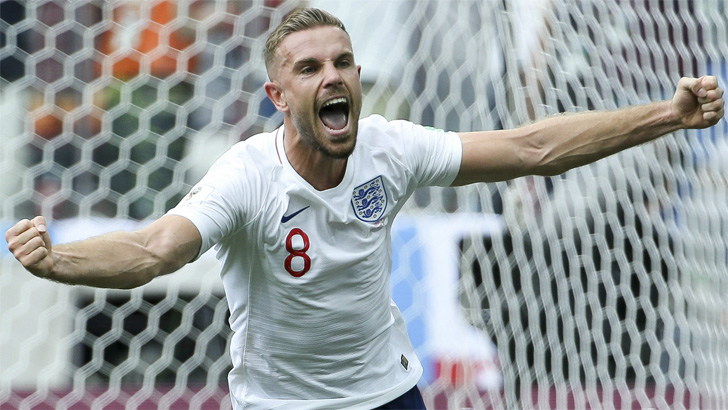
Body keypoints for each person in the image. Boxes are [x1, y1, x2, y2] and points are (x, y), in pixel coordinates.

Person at [5, 7, 724, 410]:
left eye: (342, 62)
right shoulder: (245, 178)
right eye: (310, 68)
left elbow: (532, 147)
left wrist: (664, 114)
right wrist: (58, 259)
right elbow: (153, 250)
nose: (334, 76)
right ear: (277, 98)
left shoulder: (391, 147)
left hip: (388, 396)